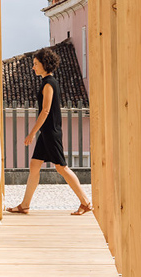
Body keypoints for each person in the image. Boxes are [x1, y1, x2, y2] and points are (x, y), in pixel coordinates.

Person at [7, 47, 92, 216]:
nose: (33, 67)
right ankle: (25, 205)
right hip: (46, 133)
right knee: (34, 165)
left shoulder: (48, 84)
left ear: (45, 64)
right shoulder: (48, 82)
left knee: (61, 168)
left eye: (36, 64)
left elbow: (45, 111)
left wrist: (31, 133)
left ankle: (86, 203)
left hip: (50, 133)